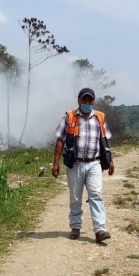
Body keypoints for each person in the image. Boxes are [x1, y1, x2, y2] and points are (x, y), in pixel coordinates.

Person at [52, 87, 115, 242]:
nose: (87, 102)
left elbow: (105, 140)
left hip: (94, 163)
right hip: (75, 164)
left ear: (93, 101)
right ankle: (75, 227)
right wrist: (55, 163)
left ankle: (100, 229)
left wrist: (111, 160)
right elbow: (60, 140)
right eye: (84, 100)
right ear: (79, 100)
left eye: (90, 100)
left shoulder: (99, 117)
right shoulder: (70, 117)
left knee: (96, 194)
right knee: (75, 198)